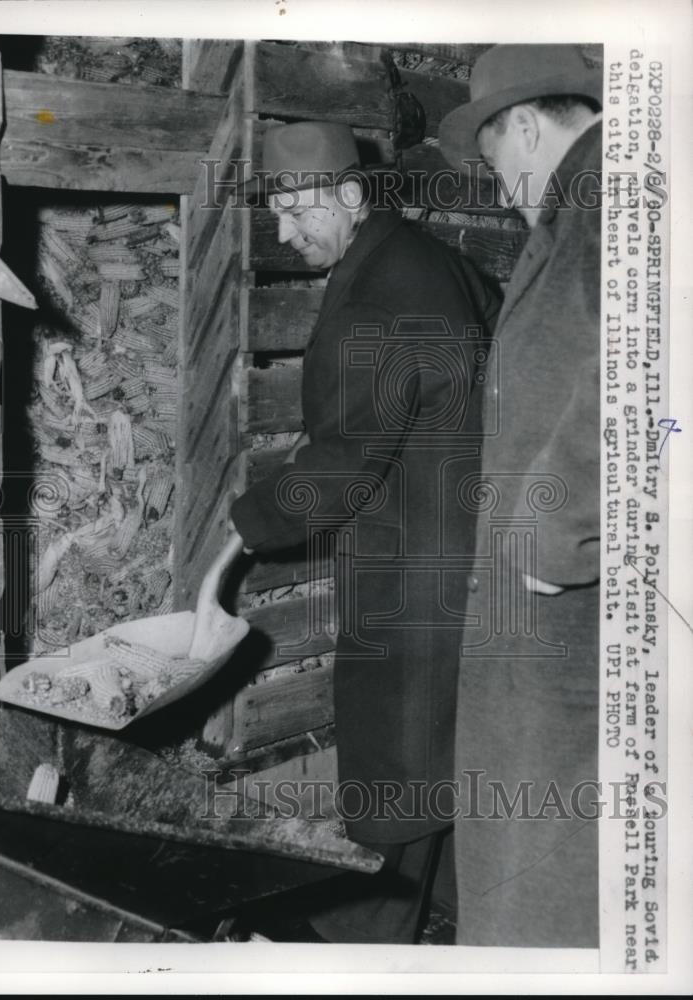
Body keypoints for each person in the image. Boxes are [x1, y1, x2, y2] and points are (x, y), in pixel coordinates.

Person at [226, 121, 499, 943]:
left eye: (296, 212)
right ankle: (468, 916)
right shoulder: (430, 261)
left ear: (349, 195)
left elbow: (345, 465)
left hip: (413, 566)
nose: (284, 231)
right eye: (274, 215)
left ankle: (353, 943)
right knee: (439, 750)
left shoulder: (376, 293)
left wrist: (243, 526)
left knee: (394, 767)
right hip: (466, 545)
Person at [439, 44, 603, 947]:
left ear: (529, 126)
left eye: (496, 159)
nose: (501, 188)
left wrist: (544, 539)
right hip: (549, 621)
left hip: (565, 622)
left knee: (549, 872)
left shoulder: (609, 197)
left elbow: (643, 379)